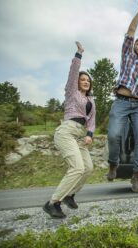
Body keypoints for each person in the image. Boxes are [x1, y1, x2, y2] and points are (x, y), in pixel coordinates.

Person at [43, 41, 96, 219]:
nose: (85, 82)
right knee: (77, 168)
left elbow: (92, 121)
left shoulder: (91, 100)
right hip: (66, 132)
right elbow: (74, 73)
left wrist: (89, 134)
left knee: (88, 168)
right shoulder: (72, 92)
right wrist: (79, 54)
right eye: (82, 79)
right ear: (77, 82)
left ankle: (69, 195)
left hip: (81, 136)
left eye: (88, 80)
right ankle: (53, 203)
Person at [106, 2, 138, 193]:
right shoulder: (127, 55)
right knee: (114, 134)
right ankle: (113, 164)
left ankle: (137, 175)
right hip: (121, 102)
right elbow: (131, 31)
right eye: (137, 44)